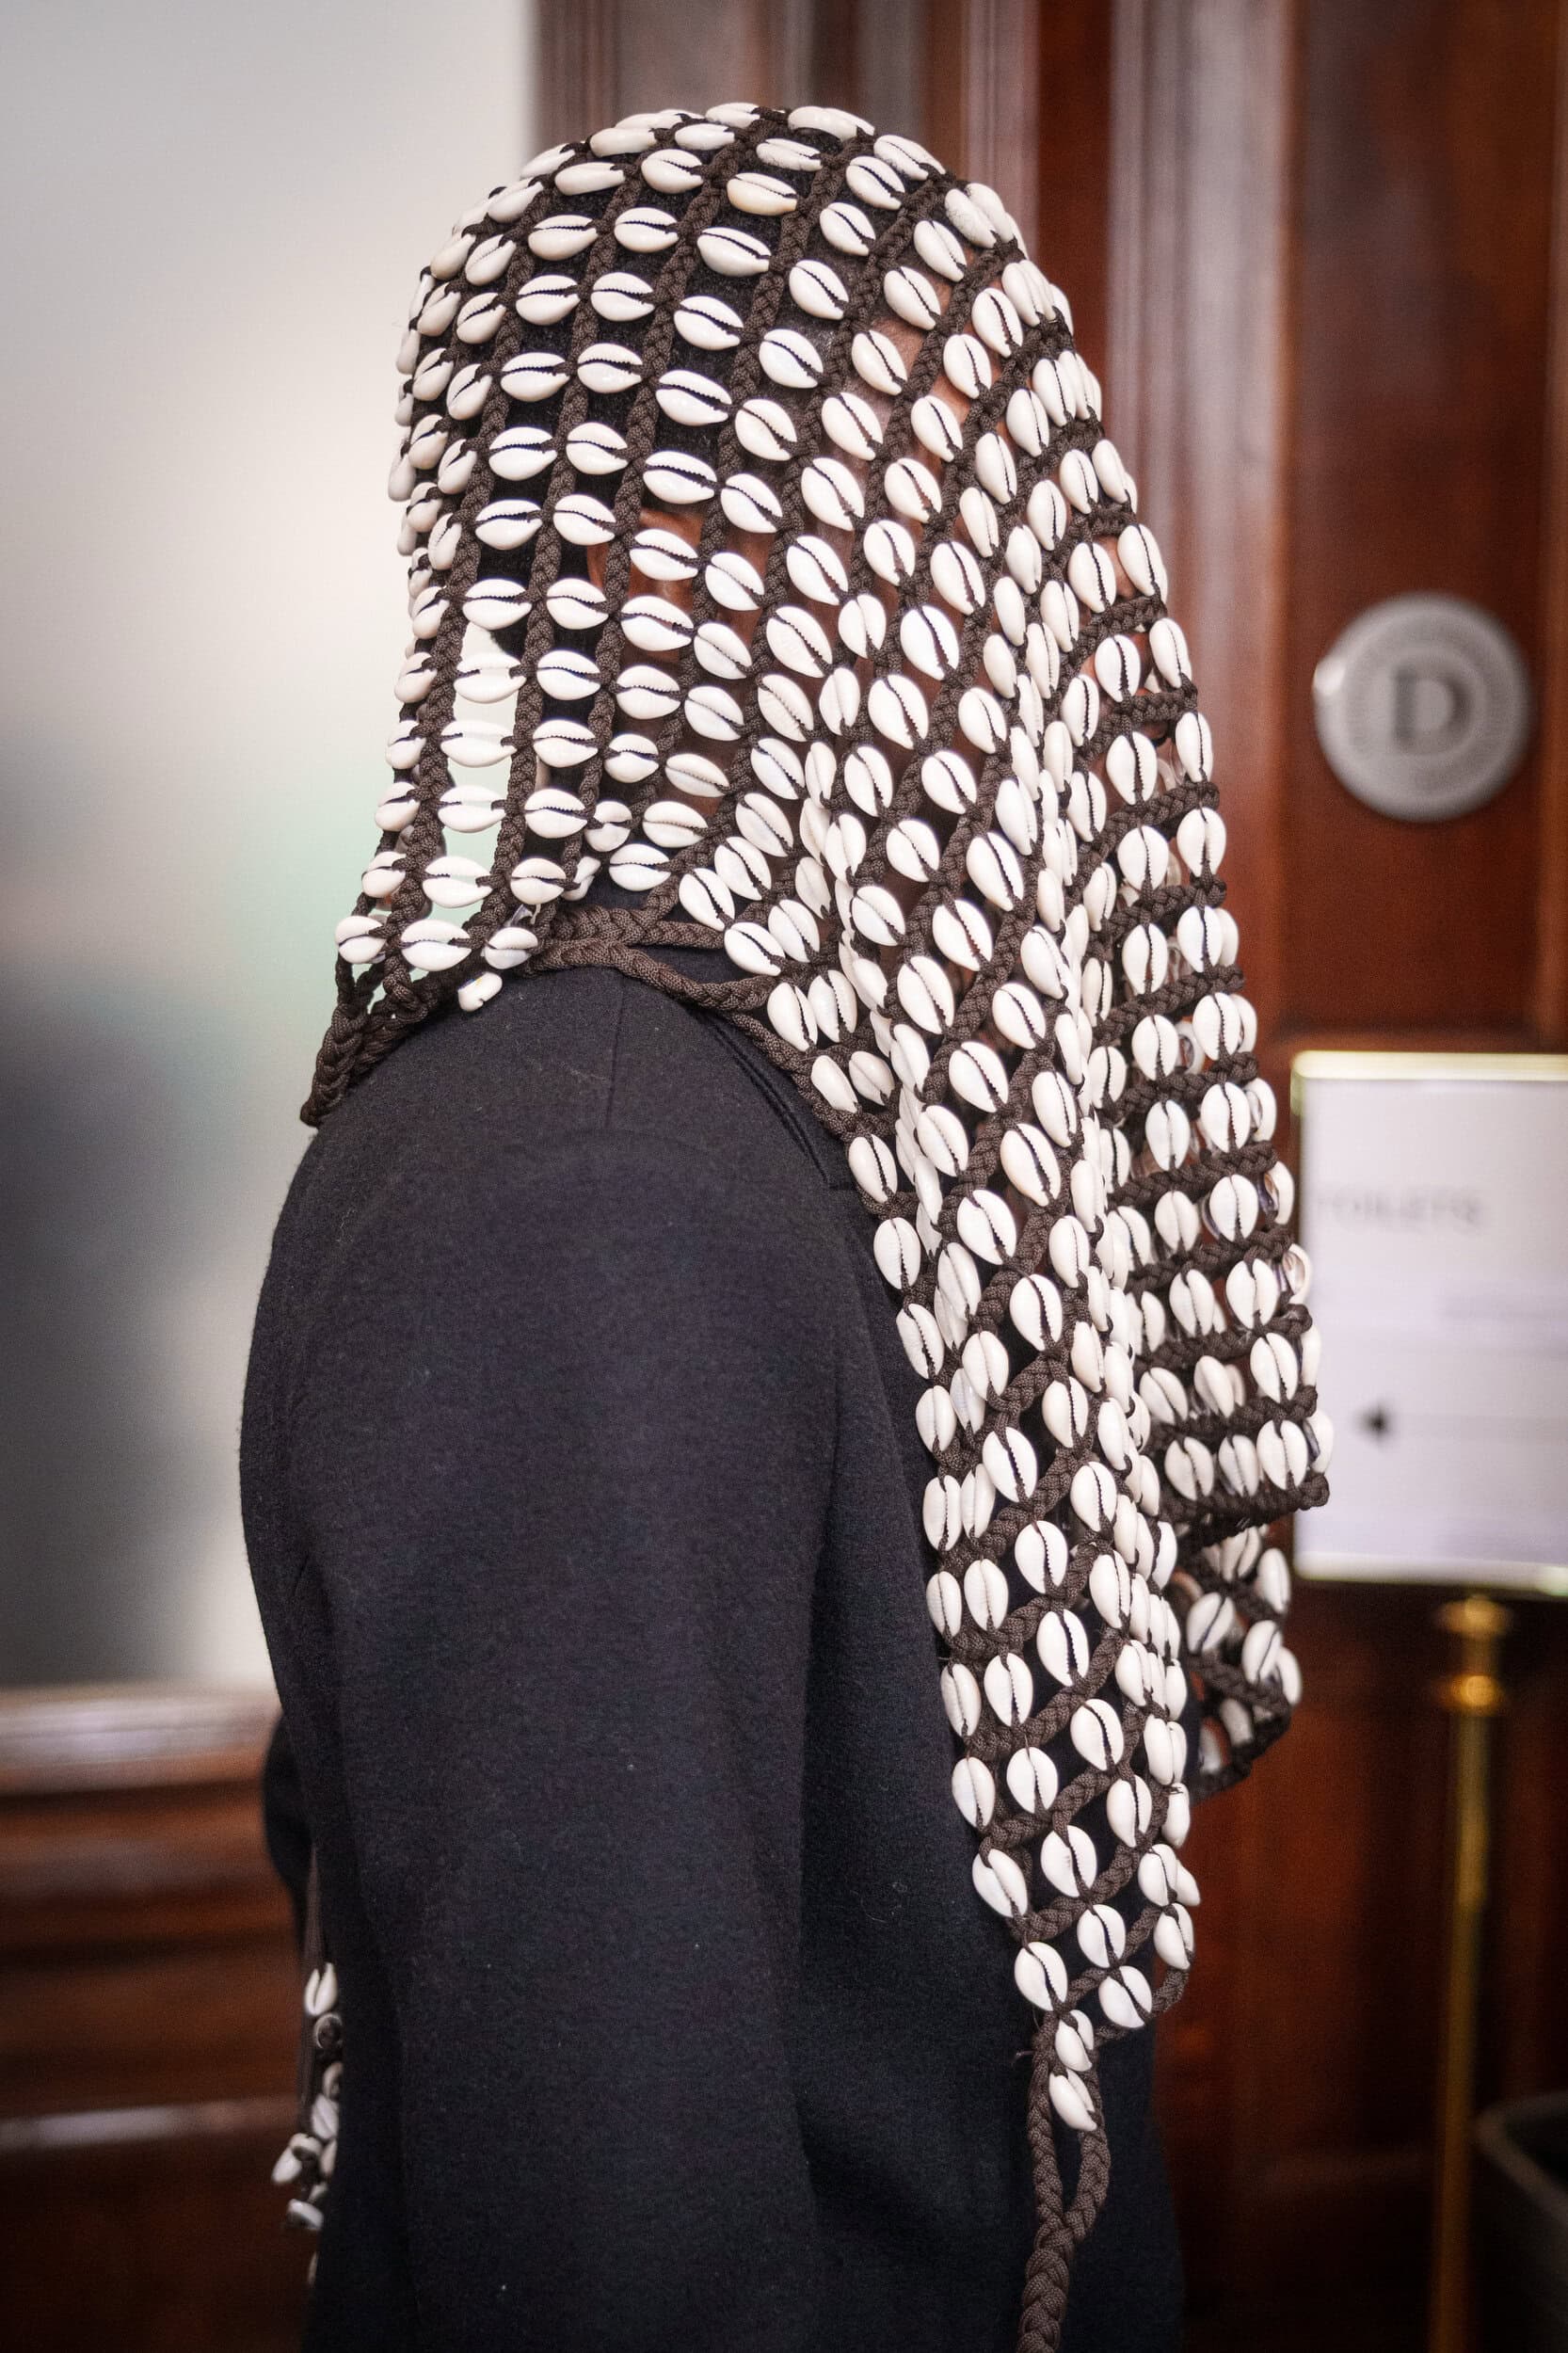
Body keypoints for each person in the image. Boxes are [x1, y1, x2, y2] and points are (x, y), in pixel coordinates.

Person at [242, 100, 1329, 2353]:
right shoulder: (586, 1193)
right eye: (951, 503)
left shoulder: (762, 1113)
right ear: (673, 548)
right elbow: (611, 2236)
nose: (1033, 610)